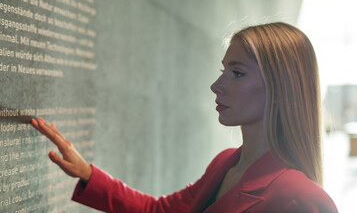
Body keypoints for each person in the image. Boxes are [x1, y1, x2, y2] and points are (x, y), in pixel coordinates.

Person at [31, 22, 338, 213]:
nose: (217, 85)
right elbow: (159, 210)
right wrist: (87, 173)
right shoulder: (225, 163)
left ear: (281, 86)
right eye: (223, 70)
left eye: (237, 72)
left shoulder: (300, 198)